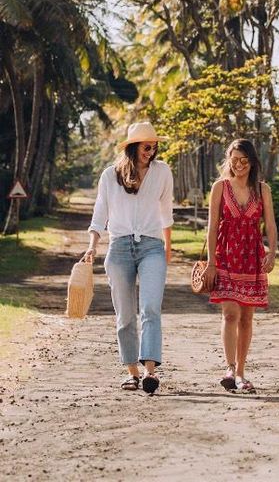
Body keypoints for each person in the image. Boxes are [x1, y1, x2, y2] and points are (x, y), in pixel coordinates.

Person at [84, 121, 173, 394]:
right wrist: (92, 246)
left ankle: (150, 372)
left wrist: (168, 247)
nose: (151, 152)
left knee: (150, 308)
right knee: (125, 316)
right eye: (146, 147)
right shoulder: (110, 176)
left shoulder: (162, 171)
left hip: (152, 247)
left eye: (154, 147)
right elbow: (100, 214)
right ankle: (132, 373)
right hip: (119, 248)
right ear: (133, 147)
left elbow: (166, 212)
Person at [203, 138, 278, 393]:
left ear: (252, 162)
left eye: (244, 160)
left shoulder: (262, 190)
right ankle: (230, 367)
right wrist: (211, 263)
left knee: (246, 317)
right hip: (225, 255)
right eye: (234, 160)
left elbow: (270, 225)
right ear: (229, 160)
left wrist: (272, 253)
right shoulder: (220, 187)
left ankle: (241, 373)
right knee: (230, 314)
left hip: (251, 258)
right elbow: (212, 227)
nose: (239, 165)